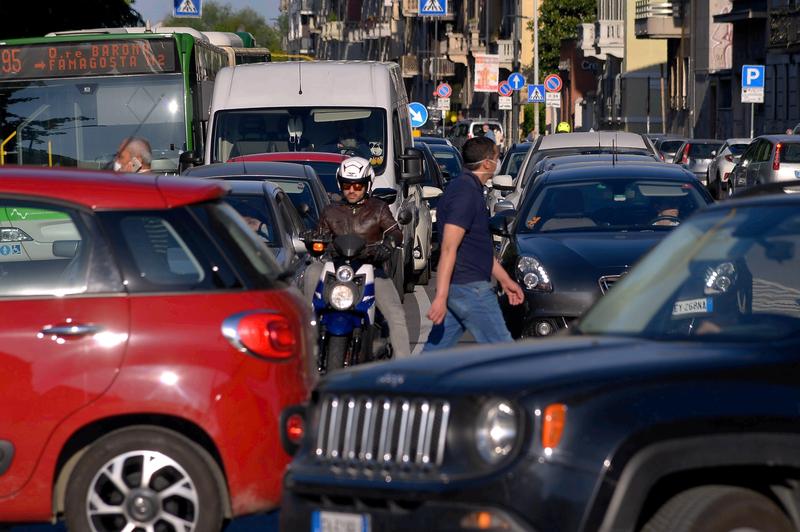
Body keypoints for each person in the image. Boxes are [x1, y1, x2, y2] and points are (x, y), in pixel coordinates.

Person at [303, 156, 412, 359]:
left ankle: (404, 367)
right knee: (311, 271)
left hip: (370, 267)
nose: (352, 190)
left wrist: (388, 244)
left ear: (367, 185)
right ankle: (307, 349)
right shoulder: (330, 210)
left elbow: (395, 231)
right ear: (340, 185)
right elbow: (320, 235)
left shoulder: (379, 208)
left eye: (357, 185)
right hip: (335, 268)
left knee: (396, 314)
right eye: (347, 185)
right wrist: (312, 239)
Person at [423, 137, 524, 351]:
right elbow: (449, 247)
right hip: (470, 288)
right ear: (487, 163)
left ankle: (412, 374)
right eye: (497, 157)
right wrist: (440, 297)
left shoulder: (468, 188)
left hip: (461, 288)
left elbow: (477, 248)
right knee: (504, 352)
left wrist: (505, 280)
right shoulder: (465, 193)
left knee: (433, 355)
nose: (498, 162)